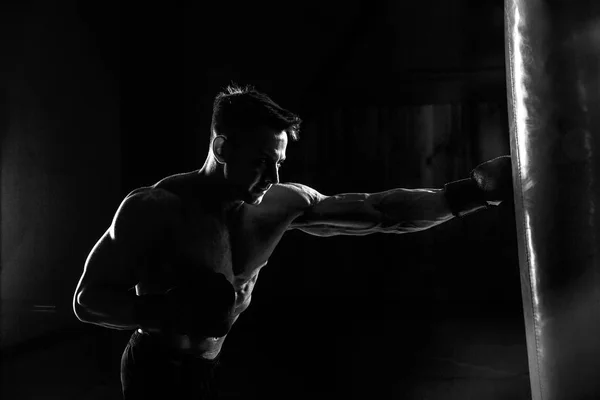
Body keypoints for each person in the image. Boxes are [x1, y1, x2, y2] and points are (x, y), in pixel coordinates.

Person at [72, 84, 513, 399]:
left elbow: (382, 214)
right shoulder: (154, 207)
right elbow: (86, 300)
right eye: (262, 162)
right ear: (222, 147)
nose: (274, 177)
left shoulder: (278, 205)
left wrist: (470, 195)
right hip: (154, 371)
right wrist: (162, 310)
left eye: (279, 162)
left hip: (210, 367)